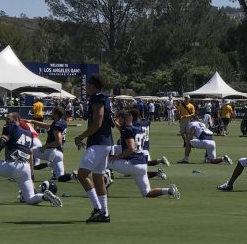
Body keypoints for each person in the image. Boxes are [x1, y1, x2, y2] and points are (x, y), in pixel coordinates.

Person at [0, 112, 62, 207]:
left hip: (12, 166)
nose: (6, 121)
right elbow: (31, 154)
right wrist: (31, 175)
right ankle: (44, 197)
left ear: (16, 120)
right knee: (30, 198)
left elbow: (1, 143)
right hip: (25, 168)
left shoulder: (10, 127)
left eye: (8, 119)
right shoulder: (29, 133)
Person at [108, 110, 180, 198]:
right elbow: (124, 130)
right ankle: (169, 190)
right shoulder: (138, 129)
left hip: (132, 164)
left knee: (105, 161)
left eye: (120, 119)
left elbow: (131, 148)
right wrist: (116, 122)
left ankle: (106, 178)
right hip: (142, 165)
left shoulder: (127, 129)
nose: (119, 121)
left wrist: (116, 157)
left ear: (125, 119)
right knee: (146, 193)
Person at [74, 74, 114, 223]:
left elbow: (97, 123)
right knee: (98, 179)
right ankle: (105, 213)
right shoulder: (102, 97)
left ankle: (98, 209)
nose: (86, 87)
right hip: (104, 142)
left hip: (99, 142)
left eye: (88, 84)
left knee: (82, 175)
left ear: (93, 86)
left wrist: (81, 137)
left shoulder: (97, 97)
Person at [22, 107, 77, 182]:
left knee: (27, 151)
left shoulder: (57, 124)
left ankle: (23, 173)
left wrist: (45, 146)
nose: (51, 113)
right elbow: (46, 126)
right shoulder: (61, 122)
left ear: (56, 114)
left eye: (53, 112)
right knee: (60, 177)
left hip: (51, 151)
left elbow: (58, 142)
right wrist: (32, 121)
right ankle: (73, 176)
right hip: (59, 154)